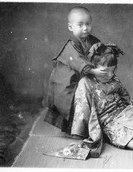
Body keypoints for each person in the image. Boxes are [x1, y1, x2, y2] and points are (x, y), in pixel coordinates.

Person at [44, 6, 107, 134]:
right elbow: (78, 61)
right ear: (70, 27)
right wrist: (94, 71)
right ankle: (75, 131)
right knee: (70, 101)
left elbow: (101, 53)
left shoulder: (93, 40)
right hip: (67, 78)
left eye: (88, 24)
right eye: (80, 25)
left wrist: (104, 53)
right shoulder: (71, 45)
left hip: (82, 75)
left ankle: (90, 126)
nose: (85, 28)